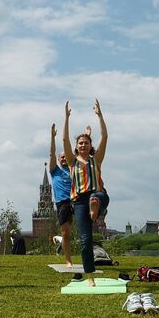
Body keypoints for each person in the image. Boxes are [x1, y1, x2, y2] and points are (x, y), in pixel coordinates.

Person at [61, 99, 110, 284]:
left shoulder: (95, 160)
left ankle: (95, 206)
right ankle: (90, 276)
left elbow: (104, 137)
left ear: (90, 146)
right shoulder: (73, 162)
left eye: (86, 143)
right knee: (85, 239)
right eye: (80, 143)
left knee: (100, 196)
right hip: (80, 202)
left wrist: (100, 115)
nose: (83, 145)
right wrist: (66, 117)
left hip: (96, 194)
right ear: (77, 146)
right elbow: (65, 139)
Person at [48, 123, 74, 266]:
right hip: (63, 202)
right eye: (62, 157)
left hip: (76, 200)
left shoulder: (73, 169)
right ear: (59, 160)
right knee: (66, 233)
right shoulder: (55, 170)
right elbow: (52, 153)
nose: (64, 159)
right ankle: (68, 260)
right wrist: (52, 137)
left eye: (66, 157)